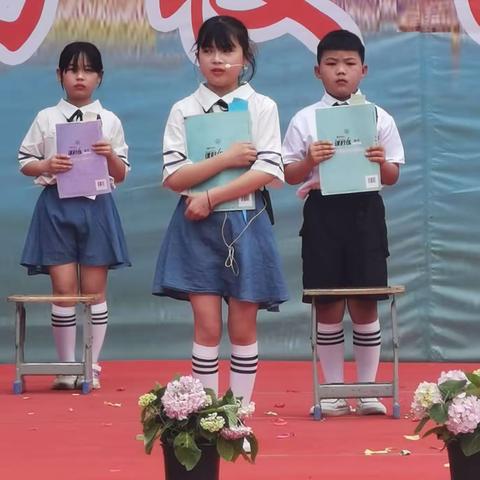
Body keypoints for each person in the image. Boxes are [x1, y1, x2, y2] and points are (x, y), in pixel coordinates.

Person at [153, 15, 288, 410]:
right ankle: (207, 417)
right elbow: (175, 176)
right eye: (208, 50)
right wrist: (226, 159)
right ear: (197, 57)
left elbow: (269, 171)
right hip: (195, 225)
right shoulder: (184, 108)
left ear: (245, 57)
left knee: (243, 326)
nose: (217, 59)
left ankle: (240, 414)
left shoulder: (262, 106)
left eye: (227, 50)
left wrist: (211, 197)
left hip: (246, 222)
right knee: (207, 326)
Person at [283, 30, 404, 416]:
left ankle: (368, 391)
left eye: (349, 64)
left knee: (367, 303)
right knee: (328, 304)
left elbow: (392, 175)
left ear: (363, 70)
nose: (341, 71)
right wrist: (309, 161)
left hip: (366, 213)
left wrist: (379, 160)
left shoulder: (379, 117)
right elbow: (289, 174)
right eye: (332, 64)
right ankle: (332, 390)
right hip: (322, 213)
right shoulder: (305, 119)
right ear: (317, 70)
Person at [18, 42, 131, 390]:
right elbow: (25, 162)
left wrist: (109, 155)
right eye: (71, 69)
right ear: (60, 75)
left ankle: (90, 365)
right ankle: (66, 366)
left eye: (87, 70)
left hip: (96, 206)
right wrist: (47, 164)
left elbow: (122, 173)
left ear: (99, 76)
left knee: (94, 292)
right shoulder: (45, 118)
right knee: (64, 291)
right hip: (56, 206)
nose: (79, 76)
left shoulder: (109, 120)